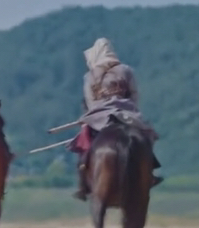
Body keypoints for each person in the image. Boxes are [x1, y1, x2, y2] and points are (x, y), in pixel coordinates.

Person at [69, 37, 164, 201]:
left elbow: (90, 100)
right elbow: (134, 94)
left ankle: (83, 182)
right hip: (126, 113)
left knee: (84, 141)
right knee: (146, 135)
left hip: (99, 116)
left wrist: (92, 116)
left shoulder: (89, 76)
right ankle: (149, 172)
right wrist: (132, 109)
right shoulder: (126, 70)